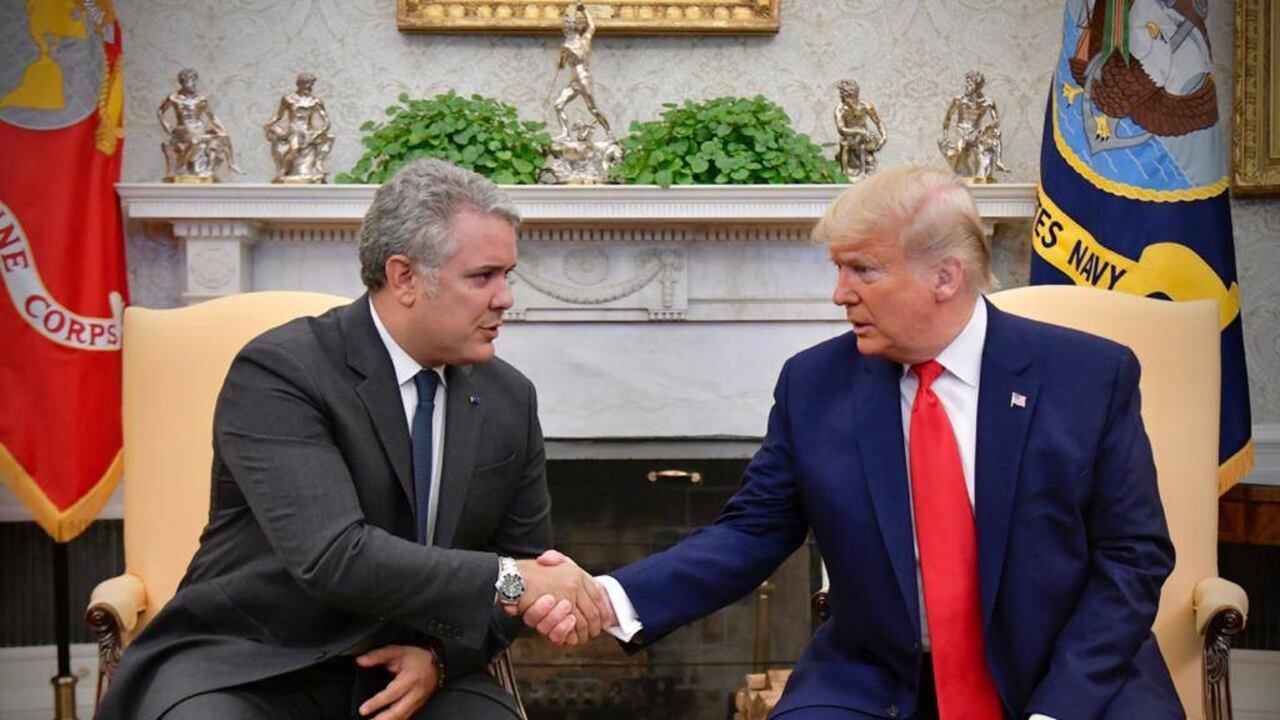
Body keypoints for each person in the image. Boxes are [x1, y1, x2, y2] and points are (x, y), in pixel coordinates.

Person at [525, 165, 1183, 719]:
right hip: (880, 676)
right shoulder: (816, 385)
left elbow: (1133, 556)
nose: (840, 295)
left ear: (946, 277)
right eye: (838, 269)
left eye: (863, 270)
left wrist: (1059, 709)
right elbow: (749, 534)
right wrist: (608, 598)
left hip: (1070, 669)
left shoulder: (1086, 376)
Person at [98, 159, 609, 720]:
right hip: (251, 661)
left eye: (507, 274)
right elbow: (333, 556)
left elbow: (529, 567)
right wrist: (511, 580)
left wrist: (440, 657)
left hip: (407, 661)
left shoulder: (509, 398)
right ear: (404, 277)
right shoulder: (281, 372)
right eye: (482, 276)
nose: (505, 297)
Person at [157, 68, 241, 181]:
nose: (194, 84)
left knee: (223, 137)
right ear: (183, 82)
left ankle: (231, 164)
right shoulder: (174, 98)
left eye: (194, 81)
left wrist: (222, 129)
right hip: (182, 130)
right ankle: (182, 165)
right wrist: (165, 125)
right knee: (195, 141)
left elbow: (211, 117)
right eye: (191, 81)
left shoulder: (200, 99)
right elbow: (160, 111)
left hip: (198, 128)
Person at [551, 2, 614, 142]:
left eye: (567, 28)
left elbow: (591, 27)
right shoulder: (565, 46)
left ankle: (609, 133)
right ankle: (565, 133)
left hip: (584, 79)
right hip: (574, 81)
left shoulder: (583, 41)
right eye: (565, 28)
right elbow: (562, 66)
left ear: (573, 29)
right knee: (558, 105)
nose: (565, 30)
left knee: (592, 108)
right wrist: (561, 58)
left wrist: (584, 10)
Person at [264, 72, 334, 183]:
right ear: (299, 84)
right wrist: (268, 125)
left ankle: (318, 165)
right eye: (307, 84)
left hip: (308, 131)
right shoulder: (288, 99)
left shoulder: (315, 101)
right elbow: (278, 116)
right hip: (294, 130)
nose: (309, 87)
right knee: (294, 148)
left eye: (311, 84)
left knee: (329, 139)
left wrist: (319, 132)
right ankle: (283, 170)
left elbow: (326, 121)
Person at [938, 71, 1006, 182]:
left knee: (993, 139)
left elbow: (996, 120)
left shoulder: (988, 102)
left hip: (976, 131)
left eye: (970, 84)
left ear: (978, 86)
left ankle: (990, 169)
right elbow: (948, 117)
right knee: (962, 148)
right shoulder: (959, 100)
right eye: (966, 83)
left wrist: (987, 126)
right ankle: (965, 172)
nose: (966, 86)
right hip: (960, 131)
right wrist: (945, 136)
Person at [833, 80, 886, 180]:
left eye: (848, 97)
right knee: (844, 144)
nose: (845, 99)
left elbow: (878, 122)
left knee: (864, 148)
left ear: (856, 95)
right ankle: (844, 174)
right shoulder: (840, 109)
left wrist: (884, 136)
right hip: (849, 135)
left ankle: (863, 172)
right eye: (843, 96)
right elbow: (841, 129)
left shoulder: (865, 106)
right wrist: (860, 131)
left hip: (863, 136)